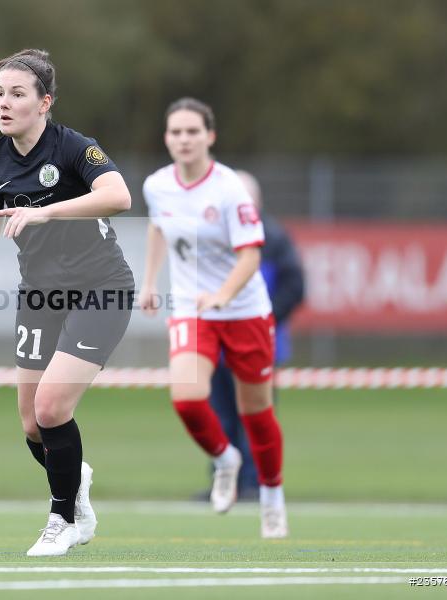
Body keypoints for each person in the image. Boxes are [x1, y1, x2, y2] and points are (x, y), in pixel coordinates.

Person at [0, 49, 135, 556]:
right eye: (0, 93)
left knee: (51, 407)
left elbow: (120, 196)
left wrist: (46, 214)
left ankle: (62, 520)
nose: (4, 102)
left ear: (45, 103)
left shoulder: (74, 149)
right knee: (31, 423)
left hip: (101, 287)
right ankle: (74, 481)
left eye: (17, 94)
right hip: (41, 294)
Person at [140, 98, 288, 538]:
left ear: (210, 137)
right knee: (186, 396)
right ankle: (225, 459)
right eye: (175, 132)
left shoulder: (228, 189)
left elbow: (251, 253)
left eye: (192, 132)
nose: (183, 140)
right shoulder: (157, 186)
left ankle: (272, 495)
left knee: (256, 412)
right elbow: (157, 227)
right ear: (167, 138)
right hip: (191, 307)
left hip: (244, 310)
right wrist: (149, 282)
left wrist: (224, 295)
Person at [206, 171, 304, 500]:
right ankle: (223, 482)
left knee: (255, 414)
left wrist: (261, 319)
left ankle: (256, 483)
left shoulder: (274, 238)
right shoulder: (211, 236)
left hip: (256, 344)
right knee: (219, 416)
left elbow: (294, 286)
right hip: (215, 346)